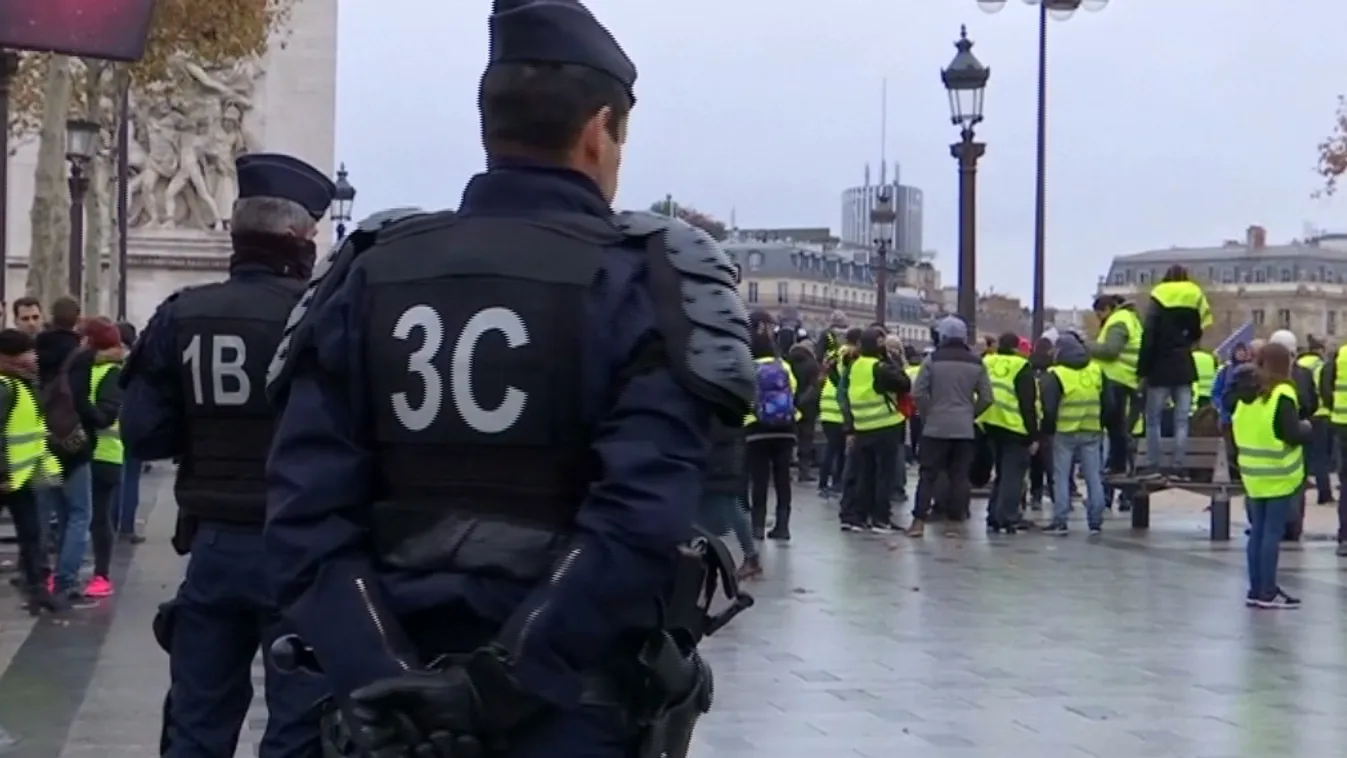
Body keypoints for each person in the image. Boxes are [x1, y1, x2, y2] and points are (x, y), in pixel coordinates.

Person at [262, 2, 756, 756]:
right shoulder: (643, 280)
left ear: (491, 126)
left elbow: (303, 512)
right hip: (564, 707)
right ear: (598, 131)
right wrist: (495, 688)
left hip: (386, 717)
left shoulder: (369, 270)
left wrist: (384, 678)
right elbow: (638, 520)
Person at [120, 152, 336, 757]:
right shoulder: (323, 316)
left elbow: (143, 435)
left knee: (198, 720)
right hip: (304, 547)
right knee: (299, 724)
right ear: (298, 238)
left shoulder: (181, 315)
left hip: (214, 545)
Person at [1231, 341, 1309, 609]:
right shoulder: (1282, 393)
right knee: (1271, 533)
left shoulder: (1246, 393)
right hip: (1278, 473)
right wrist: (1306, 428)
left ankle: (1256, 588)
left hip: (1252, 473)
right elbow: (1290, 433)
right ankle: (1267, 591)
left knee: (1258, 532)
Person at [907, 316, 992, 537]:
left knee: (928, 475)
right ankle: (955, 523)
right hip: (964, 428)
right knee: (960, 476)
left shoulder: (932, 360)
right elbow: (986, 397)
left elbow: (918, 393)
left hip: (935, 426)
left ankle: (918, 522)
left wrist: (928, 413)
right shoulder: (977, 363)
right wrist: (970, 414)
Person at [0, 329, 65, 612]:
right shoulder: (5, 387)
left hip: (22, 476)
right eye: (26, 353)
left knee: (32, 533)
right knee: (30, 532)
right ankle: (37, 587)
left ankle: (37, 587)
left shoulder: (24, 384)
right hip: (6, 477)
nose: (33, 358)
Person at [1136, 266, 1212, 478]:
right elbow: (1198, 330)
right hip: (1184, 365)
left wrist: (1142, 368)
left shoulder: (1159, 295)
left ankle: (1154, 465)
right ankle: (1179, 466)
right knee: (1181, 420)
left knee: (1153, 419)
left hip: (1160, 366)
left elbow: (1148, 336)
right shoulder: (1194, 294)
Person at [838, 327, 909, 533]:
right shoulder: (880, 367)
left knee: (865, 474)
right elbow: (904, 383)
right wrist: (891, 360)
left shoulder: (855, 365)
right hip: (885, 424)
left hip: (862, 426)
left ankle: (860, 516)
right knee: (884, 475)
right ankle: (881, 518)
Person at [1040, 331, 1107, 535]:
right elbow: (1109, 402)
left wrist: (1048, 429)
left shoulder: (1057, 373)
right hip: (1092, 429)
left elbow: (1049, 407)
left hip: (1065, 431)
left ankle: (1060, 519)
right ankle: (1096, 520)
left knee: (1061, 476)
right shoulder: (1096, 370)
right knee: (1093, 476)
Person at [81, 318, 125, 598]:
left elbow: (106, 413)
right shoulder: (92, 369)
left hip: (104, 453)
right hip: (89, 451)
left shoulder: (109, 372)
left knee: (99, 516)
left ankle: (102, 574)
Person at [745, 310, 799, 540]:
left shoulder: (747, 366)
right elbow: (793, 391)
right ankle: (783, 525)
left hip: (757, 429)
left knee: (759, 479)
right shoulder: (783, 366)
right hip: (785, 428)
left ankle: (757, 526)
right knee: (782, 477)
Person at [980, 333, 1041, 534]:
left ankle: (994, 515)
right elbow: (1027, 404)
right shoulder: (1021, 366)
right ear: (1017, 348)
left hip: (989, 421)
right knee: (1013, 475)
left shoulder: (987, 361)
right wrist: (1033, 435)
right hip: (1014, 425)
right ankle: (1008, 516)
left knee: (1001, 472)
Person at [698, 414, 761, 580]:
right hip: (720, 457)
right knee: (725, 507)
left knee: (730, 507)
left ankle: (751, 557)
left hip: (719, 460)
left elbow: (717, 430)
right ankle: (750, 557)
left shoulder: (717, 402)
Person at [1089, 294, 1144, 475]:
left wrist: (1086, 347)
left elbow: (1111, 351)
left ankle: (1114, 466)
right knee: (1118, 427)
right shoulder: (1131, 319)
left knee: (1113, 427)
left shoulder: (1118, 321)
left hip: (1115, 378)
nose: (1099, 319)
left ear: (1107, 310)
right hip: (1126, 378)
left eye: (1099, 314)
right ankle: (1116, 466)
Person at [817, 327, 860, 499]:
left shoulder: (834, 353)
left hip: (827, 403)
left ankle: (823, 482)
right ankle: (835, 483)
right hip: (838, 407)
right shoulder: (851, 356)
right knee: (839, 449)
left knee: (831, 447)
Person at [113, 321, 145, 543]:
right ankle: (127, 526)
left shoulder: (106, 362)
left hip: (110, 428)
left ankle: (113, 523)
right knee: (132, 477)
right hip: (133, 423)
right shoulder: (139, 362)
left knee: (116, 479)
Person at [1294, 335, 1333, 505]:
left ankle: (1299, 487)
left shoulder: (1298, 366)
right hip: (1321, 414)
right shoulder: (1322, 366)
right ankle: (1324, 494)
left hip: (1300, 414)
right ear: (1320, 351)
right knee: (1321, 456)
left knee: (1300, 454)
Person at [786, 337, 820, 484]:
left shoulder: (787, 361)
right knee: (805, 440)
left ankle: (784, 471)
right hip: (807, 408)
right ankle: (803, 471)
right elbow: (814, 387)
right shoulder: (812, 365)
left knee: (788, 439)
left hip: (787, 405)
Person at [1191, 345, 1219, 409]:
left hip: (1195, 391)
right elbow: (1215, 369)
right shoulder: (1209, 357)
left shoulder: (1191, 356)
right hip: (1208, 392)